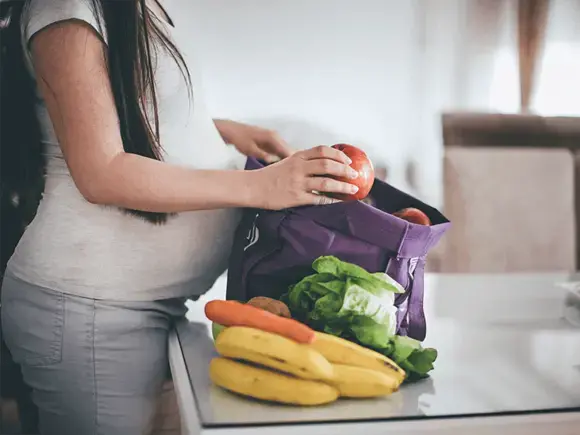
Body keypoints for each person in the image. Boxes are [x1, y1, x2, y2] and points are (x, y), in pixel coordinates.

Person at [0, 0, 361, 434]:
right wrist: (263, 186)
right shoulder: (66, 8)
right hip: (92, 310)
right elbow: (101, 171)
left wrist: (219, 130)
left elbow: (123, 103)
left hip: (145, 303)